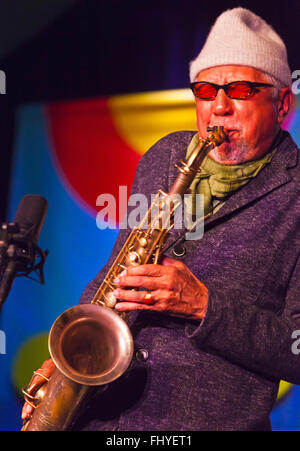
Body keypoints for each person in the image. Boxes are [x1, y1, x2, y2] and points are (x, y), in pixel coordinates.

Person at [22, 7, 300, 431]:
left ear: (282, 102)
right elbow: (119, 270)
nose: (218, 107)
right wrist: (66, 362)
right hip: (106, 416)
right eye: (205, 90)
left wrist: (204, 306)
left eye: (240, 89)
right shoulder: (166, 155)